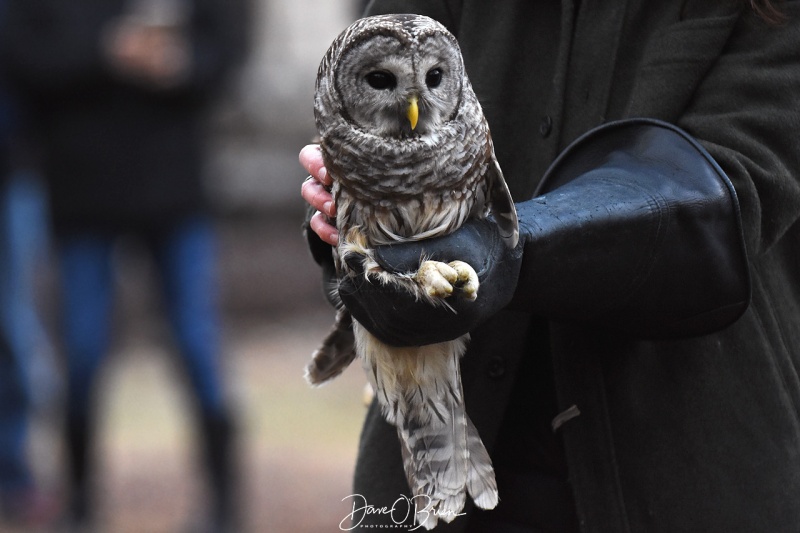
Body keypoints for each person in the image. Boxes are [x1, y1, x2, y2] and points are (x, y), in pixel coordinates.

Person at [301, 1, 800, 531]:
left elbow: (735, 187)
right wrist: (340, 220)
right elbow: (359, 98)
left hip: (684, 461)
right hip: (446, 460)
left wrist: (508, 250)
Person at [1, 0, 248, 530]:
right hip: (80, 186)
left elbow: (227, 41)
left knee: (197, 345)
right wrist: (104, 52)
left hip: (174, 182)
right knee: (83, 353)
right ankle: (81, 504)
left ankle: (225, 505)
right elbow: (20, 51)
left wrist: (184, 64)